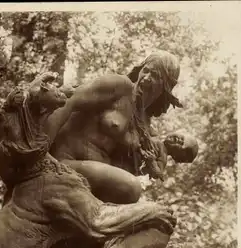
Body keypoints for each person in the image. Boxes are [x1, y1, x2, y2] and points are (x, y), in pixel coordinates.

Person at [49, 50, 184, 203]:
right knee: (131, 188)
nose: (146, 78)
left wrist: (150, 162)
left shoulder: (145, 125)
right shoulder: (119, 87)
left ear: (165, 86)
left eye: (155, 76)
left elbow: (132, 168)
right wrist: (41, 149)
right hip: (64, 162)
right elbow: (68, 101)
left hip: (93, 178)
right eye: (145, 71)